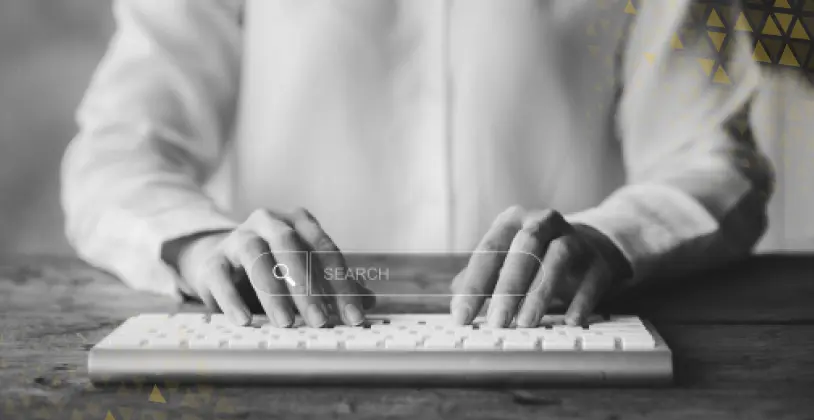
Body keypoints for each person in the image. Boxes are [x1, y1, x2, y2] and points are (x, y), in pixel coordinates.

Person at [61, 0, 773, 329]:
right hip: (279, 356)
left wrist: (616, 238)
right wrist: (196, 242)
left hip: (557, 358)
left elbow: (713, 156)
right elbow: (116, 150)